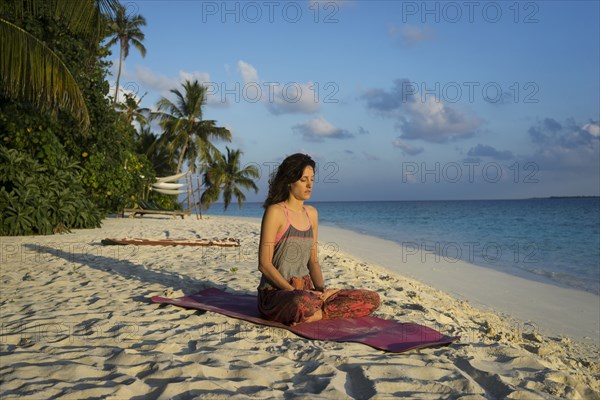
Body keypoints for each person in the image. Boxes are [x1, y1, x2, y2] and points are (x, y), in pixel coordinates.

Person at [257, 153, 380, 325]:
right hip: (277, 293)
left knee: (371, 298)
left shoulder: (311, 214)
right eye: (303, 179)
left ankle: (316, 314)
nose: (309, 185)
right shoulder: (276, 212)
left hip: (307, 292)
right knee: (301, 302)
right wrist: (292, 291)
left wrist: (322, 290)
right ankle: (316, 311)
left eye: (312, 180)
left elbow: (313, 261)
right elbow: (264, 264)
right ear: (289, 181)